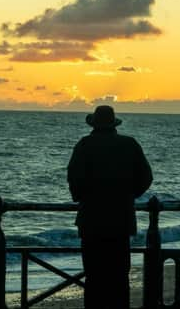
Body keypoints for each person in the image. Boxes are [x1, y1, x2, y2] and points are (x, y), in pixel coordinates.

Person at [67, 105, 153, 309]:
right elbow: (146, 177)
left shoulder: (84, 145)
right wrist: (128, 196)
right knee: (119, 276)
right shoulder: (129, 144)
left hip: (91, 221)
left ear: (94, 124)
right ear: (113, 124)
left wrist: (82, 197)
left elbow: (74, 179)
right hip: (120, 220)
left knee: (94, 276)